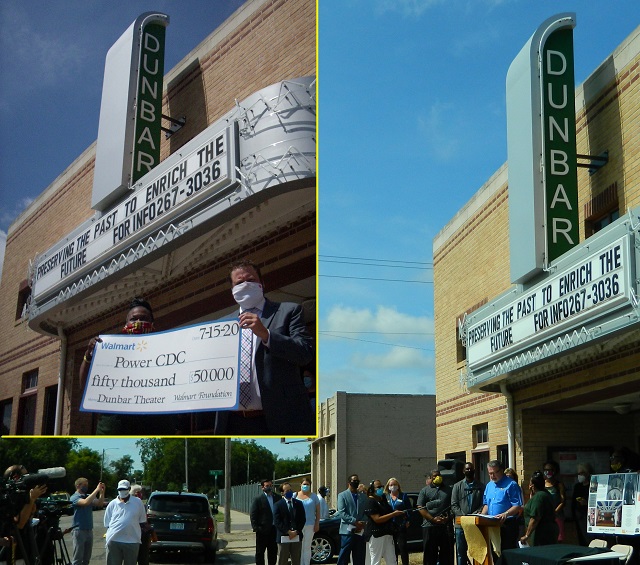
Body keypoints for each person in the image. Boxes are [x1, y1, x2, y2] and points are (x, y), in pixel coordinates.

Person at [212, 259, 314, 435]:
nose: (245, 285)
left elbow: (305, 353)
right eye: (239, 282)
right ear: (232, 291)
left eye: (251, 280)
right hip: (232, 421)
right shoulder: (221, 325)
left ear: (262, 284)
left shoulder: (288, 312)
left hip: (278, 418)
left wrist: (266, 335)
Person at [80, 297, 184, 435]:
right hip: (114, 430)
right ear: (126, 323)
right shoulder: (108, 349)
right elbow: (85, 387)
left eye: (144, 318)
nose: (139, 322)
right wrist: (89, 354)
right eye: (134, 319)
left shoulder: (168, 350)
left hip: (158, 428)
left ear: (152, 323)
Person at [480, 460, 522, 562]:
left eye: (495, 473)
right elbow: (486, 504)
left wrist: (505, 514)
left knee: (507, 556)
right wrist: (481, 516)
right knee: (496, 556)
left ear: (502, 471)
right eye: (490, 473)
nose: (492, 476)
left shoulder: (511, 484)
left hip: (507, 525)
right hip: (492, 525)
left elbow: (517, 506)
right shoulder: (489, 485)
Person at [103, 480, 148, 565]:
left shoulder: (138, 502)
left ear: (129, 489)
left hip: (132, 541)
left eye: (124, 489)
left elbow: (142, 521)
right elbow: (107, 523)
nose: (122, 491)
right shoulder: (112, 504)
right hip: (114, 541)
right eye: (120, 489)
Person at [451, 463, 485, 565]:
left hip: (475, 524)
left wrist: (473, 515)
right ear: (463, 471)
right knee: (461, 552)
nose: (469, 471)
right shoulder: (457, 486)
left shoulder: (481, 486)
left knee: (477, 551)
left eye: (471, 469)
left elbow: (483, 504)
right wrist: (463, 517)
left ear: (474, 470)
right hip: (460, 525)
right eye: (467, 469)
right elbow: (454, 504)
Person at [417, 469, 453, 565]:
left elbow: (453, 507)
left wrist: (447, 518)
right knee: (430, 554)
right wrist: (432, 519)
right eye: (435, 476)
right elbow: (420, 508)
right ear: (431, 478)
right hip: (429, 526)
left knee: (446, 554)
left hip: (444, 526)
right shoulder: (424, 491)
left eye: (439, 475)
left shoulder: (449, 490)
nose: (437, 477)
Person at [365, 479, 404, 565]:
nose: (381, 488)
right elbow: (377, 519)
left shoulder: (383, 500)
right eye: (378, 487)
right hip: (376, 535)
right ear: (372, 489)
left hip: (387, 533)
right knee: (376, 560)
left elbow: (389, 511)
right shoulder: (370, 501)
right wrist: (393, 514)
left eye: (381, 486)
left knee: (392, 560)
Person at [70, 477, 105, 565]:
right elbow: (85, 502)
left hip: (89, 529)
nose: (86, 487)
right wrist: (96, 490)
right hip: (79, 529)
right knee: (78, 558)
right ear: (78, 485)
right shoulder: (74, 497)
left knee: (86, 558)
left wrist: (101, 492)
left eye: (87, 485)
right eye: (84, 485)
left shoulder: (88, 496)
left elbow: (100, 504)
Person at [335, 473, 367, 565]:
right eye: (354, 481)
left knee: (359, 556)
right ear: (349, 482)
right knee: (344, 556)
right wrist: (354, 521)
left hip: (359, 531)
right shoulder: (342, 495)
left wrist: (362, 522)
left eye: (358, 481)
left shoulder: (362, 496)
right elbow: (342, 512)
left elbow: (366, 511)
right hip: (347, 532)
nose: (356, 482)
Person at [520, 471, 559, 546]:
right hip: (549, 532)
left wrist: (527, 535)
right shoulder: (545, 494)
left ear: (532, 485)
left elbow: (535, 518)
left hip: (541, 535)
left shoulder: (539, 497)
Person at [250, 479, 282, 565]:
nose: (269, 487)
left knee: (273, 552)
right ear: (262, 487)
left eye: (270, 485)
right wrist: (256, 528)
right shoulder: (258, 499)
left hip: (274, 530)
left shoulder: (277, 497)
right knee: (260, 552)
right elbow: (253, 515)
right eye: (267, 486)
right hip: (262, 530)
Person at [273, 483, 305, 565]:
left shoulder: (299, 503)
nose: (289, 492)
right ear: (282, 493)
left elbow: (302, 519)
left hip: (296, 536)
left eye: (290, 490)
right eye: (287, 491)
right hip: (284, 537)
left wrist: (296, 531)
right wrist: (288, 532)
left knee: (296, 560)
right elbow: (277, 521)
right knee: (283, 560)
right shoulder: (278, 505)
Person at [384, 477, 411, 565]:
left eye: (395, 485)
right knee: (392, 548)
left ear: (398, 486)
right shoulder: (386, 497)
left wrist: (408, 520)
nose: (393, 486)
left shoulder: (403, 496)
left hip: (401, 524)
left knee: (402, 547)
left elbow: (409, 509)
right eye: (391, 485)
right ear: (388, 486)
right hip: (390, 525)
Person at [294, 478, 320, 565]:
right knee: (299, 547)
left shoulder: (314, 496)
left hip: (310, 525)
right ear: (300, 485)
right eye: (304, 484)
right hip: (298, 526)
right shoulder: (295, 495)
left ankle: (306, 563)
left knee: (307, 547)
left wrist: (317, 523)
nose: (306, 486)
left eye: (307, 484)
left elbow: (318, 512)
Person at [543, 460, 566, 542]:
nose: (548, 472)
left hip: (557, 516)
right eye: (546, 470)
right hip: (545, 517)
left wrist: (555, 512)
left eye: (550, 470)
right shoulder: (542, 484)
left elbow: (563, 501)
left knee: (559, 538)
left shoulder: (559, 485)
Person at [571, 463, 592, 546]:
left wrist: (587, 503)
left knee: (590, 541)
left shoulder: (592, 485)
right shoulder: (577, 486)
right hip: (579, 517)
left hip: (590, 517)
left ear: (587, 473)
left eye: (581, 473)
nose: (579, 476)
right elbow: (573, 503)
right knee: (581, 540)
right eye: (578, 474)